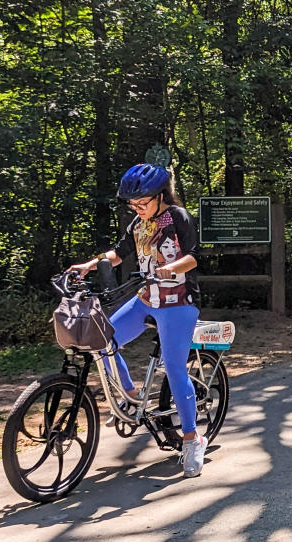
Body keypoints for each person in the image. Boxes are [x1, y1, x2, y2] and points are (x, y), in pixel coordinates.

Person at [66, 163, 208, 477]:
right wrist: (90, 265)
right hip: (146, 299)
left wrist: (172, 268)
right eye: (133, 204)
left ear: (160, 196)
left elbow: (196, 256)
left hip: (179, 302)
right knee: (103, 340)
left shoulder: (179, 218)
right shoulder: (138, 224)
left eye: (142, 203)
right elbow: (119, 252)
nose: (137, 209)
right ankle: (130, 397)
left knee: (173, 368)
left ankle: (191, 438)